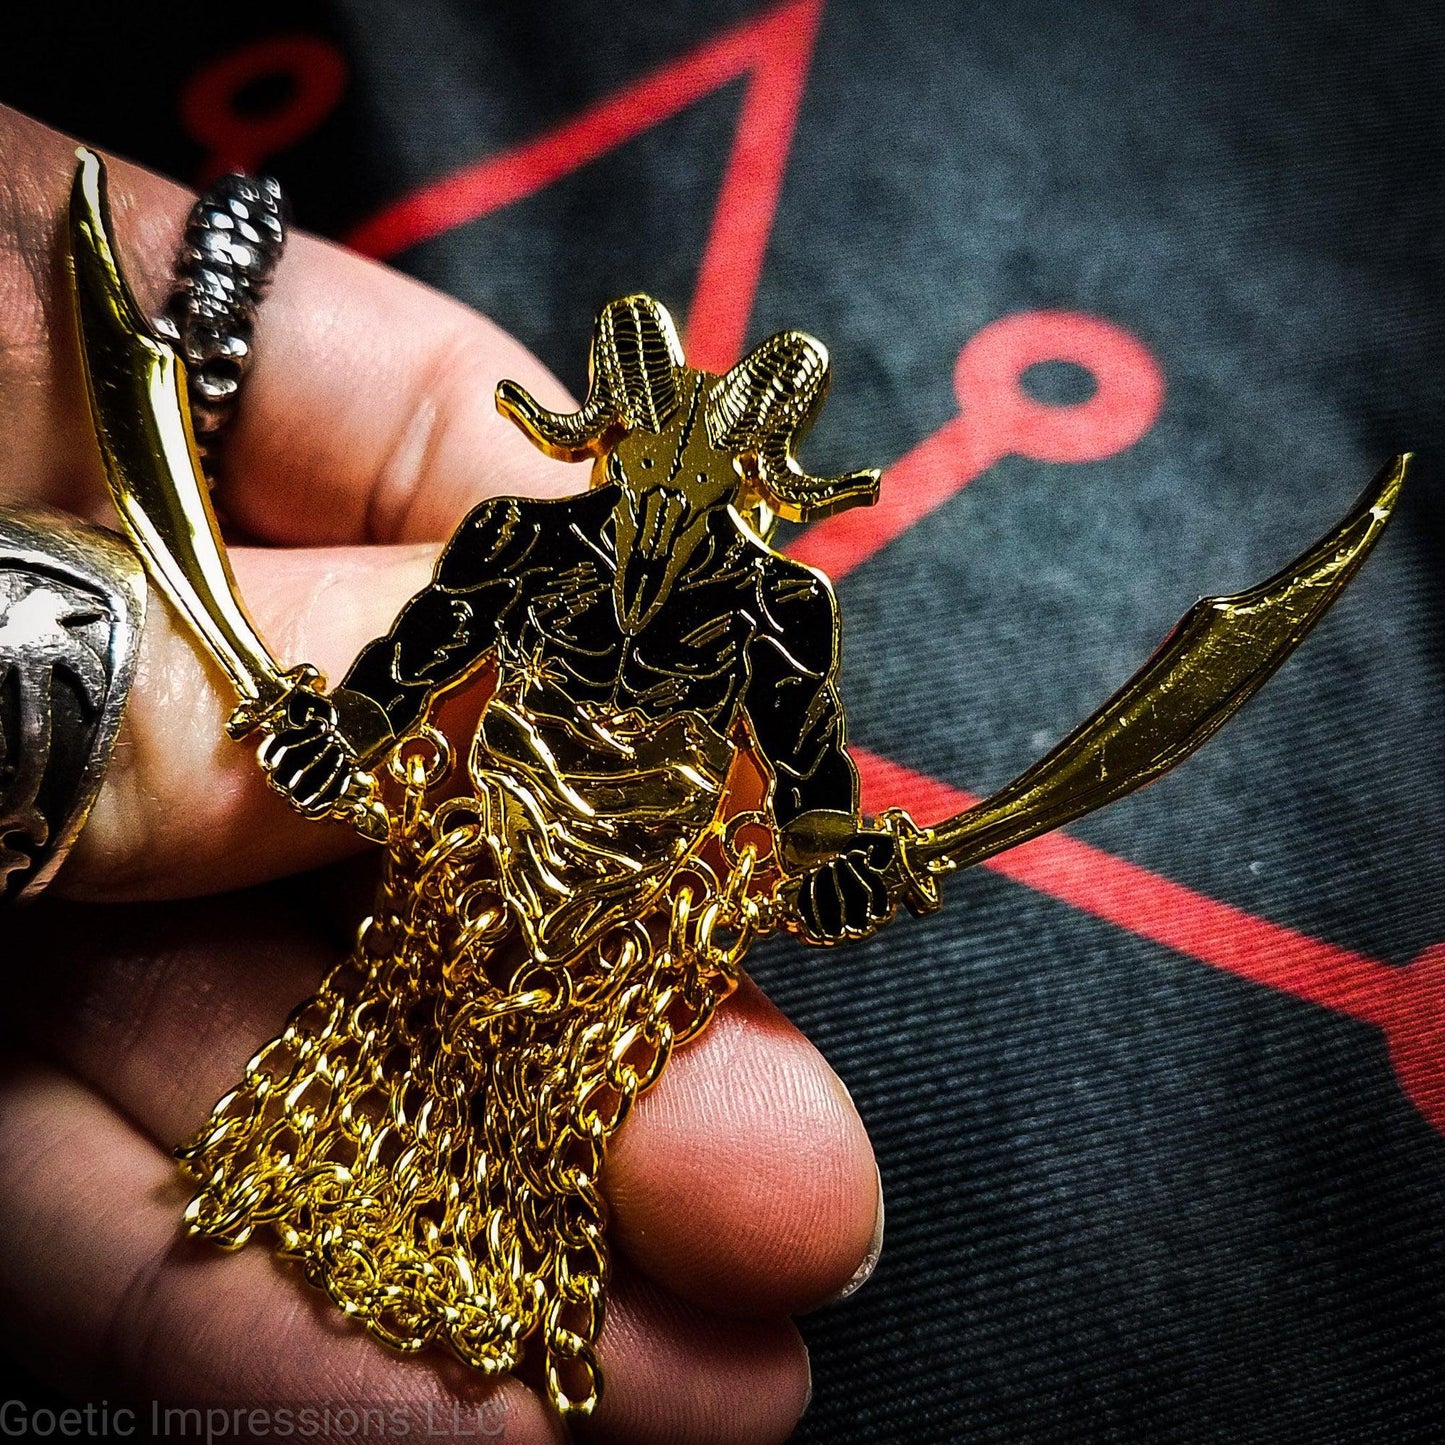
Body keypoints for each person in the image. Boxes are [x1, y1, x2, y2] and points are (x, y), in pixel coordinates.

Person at [0, 102, 882, 1445]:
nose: (657, 539)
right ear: (610, 452)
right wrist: (325, 736)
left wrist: (833, 870)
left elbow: (809, 801)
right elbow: (398, 675)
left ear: (752, 495)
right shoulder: (522, 547)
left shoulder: (775, 613)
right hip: (463, 866)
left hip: (603, 933)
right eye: (645, 483)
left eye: (698, 506)